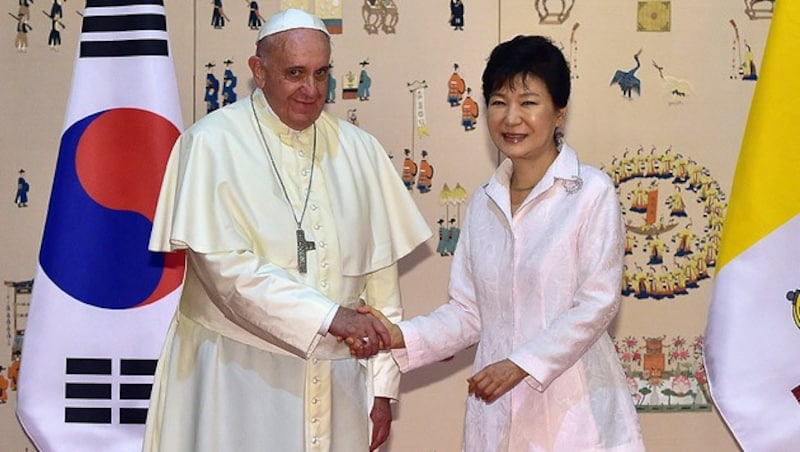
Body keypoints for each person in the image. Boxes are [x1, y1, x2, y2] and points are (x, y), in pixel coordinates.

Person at [143, 9, 430, 452]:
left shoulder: (361, 151)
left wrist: (383, 391)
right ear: (259, 71)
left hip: (338, 387)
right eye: (294, 73)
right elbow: (227, 275)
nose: (311, 90)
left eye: (321, 73)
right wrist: (331, 317)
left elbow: (381, 287)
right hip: (233, 379)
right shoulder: (211, 144)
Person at [354, 35, 645, 451]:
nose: (511, 118)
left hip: (576, 413)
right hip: (496, 411)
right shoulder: (482, 203)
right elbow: (468, 313)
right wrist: (399, 335)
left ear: (559, 111)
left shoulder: (590, 192)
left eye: (528, 102)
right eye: (498, 101)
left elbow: (596, 304)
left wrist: (521, 365)